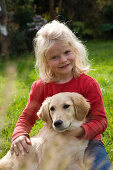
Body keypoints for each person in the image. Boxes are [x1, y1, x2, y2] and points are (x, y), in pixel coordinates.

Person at [10, 20, 111, 170]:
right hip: (53, 142)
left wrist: (80, 131)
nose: (63, 60)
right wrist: (19, 134)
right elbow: (28, 116)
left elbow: (100, 120)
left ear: (75, 51)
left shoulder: (88, 84)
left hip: (89, 142)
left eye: (66, 52)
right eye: (54, 57)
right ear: (46, 61)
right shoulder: (41, 86)